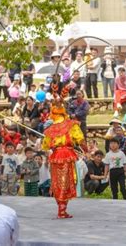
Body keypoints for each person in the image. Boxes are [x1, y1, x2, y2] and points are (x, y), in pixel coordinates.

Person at [42, 89, 86, 218]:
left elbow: (46, 145)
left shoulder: (50, 129)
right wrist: (85, 149)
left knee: (57, 181)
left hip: (56, 156)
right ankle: (62, 210)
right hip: (66, 154)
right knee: (66, 181)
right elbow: (80, 139)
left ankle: (61, 209)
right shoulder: (71, 125)